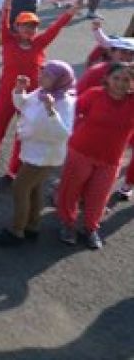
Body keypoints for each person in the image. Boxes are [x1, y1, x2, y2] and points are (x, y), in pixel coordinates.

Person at [0, 0, 80, 180]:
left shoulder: (39, 43)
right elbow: (3, 23)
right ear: (17, 26)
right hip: (7, 95)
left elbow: (56, 28)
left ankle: (15, 168)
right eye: (25, 25)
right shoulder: (8, 40)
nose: (30, 29)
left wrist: (71, 11)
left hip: (32, 99)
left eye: (33, 26)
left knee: (22, 134)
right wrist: (6, 4)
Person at [0, 63, 76, 247]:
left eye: (48, 76)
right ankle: (32, 227)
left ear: (60, 80)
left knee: (20, 188)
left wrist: (51, 110)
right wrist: (20, 91)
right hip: (32, 149)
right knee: (34, 188)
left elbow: (63, 133)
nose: (41, 77)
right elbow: (23, 106)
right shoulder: (41, 92)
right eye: (42, 73)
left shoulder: (64, 102)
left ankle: (17, 231)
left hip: (45, 155)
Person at [55, 63, 134, 250]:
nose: (120, 84)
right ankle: (67, 223)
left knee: (99, 196)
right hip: (81, 151)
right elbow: (70, 113)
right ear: (106, 78)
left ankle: (90, 228)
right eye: (116, 78)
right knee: (71, 190)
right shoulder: (94, 94)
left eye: (126, 79)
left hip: (111, 159)